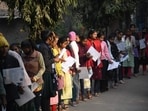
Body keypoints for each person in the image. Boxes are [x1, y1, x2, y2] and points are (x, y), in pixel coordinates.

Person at [21, 39, 45, 111]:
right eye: (23, 48)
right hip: (26, 83)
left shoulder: (38, 55)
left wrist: (36, 77)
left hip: (37, 83)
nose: (24, 50)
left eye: (26, 48)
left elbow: (43, 68)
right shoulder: (22, 56)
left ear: (30, 47)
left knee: (36, 104)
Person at [0, 33, 22, 111]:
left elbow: (18, 77)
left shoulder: (13, 59)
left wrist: (20, 86)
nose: (4, 49)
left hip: (12, 92)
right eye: (1, 47)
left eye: (6, 46)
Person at [39, 30, 59, 111]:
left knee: (47, 97)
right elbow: (46, 62)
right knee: (45, 96)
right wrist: (54, 59)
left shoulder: (46, 46)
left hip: (49, 72)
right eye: (52, 37)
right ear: (49, 37)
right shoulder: (44, 47)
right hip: (46, 73)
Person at [86, 29, 102, 96]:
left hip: (96, 60)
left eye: (96, 34)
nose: (96, 35)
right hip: (89, 61)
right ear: (90, 35)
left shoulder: (98, 41)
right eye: (94, 34)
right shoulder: (86, 41)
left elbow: (100, 50)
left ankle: (96, 90)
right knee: (87, 77)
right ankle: (87, 92)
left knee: (97, 76)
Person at [77, 36, 93, 100]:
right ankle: (80, 95)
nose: (85, 42)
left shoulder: (87, 47)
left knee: (85, 81)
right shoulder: (78, 46)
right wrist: (84, 56)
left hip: (84, 65)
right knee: (79, 82)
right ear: (81, 40)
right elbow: (77, 56)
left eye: (86, 41)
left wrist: (88, 57)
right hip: (79, 65)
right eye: (84, 41)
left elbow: (88, 57)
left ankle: (85, 94)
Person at [68, 31, 80, 106]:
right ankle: (75, 98)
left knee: (74, 83)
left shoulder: (72, 44)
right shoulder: (74, 44)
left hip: (74, 65)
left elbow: (75, 55)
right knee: (75, 83)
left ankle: (74, 99)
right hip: (75, 64)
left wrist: (76, 67)